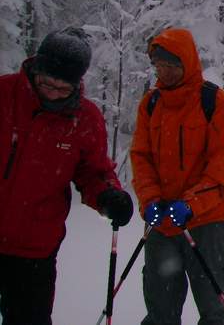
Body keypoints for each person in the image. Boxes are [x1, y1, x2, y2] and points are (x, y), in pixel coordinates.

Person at [0, 27, 133, 325]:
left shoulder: (84, 118)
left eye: (63, 89)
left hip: (35, 246)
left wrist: (109, 195)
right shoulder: (4, 95)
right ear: (37, 68)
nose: (52, 93)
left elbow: (94, 172)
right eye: (46, 83)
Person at [131, 28, 224, 325]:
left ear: (187, 63)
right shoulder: (151, 104)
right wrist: (150, 199)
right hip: (163, 222)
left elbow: (222, 165)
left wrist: (191, 204)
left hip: (209, 223)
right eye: (159, 66)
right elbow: (141, 158)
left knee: (214, 311)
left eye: (172, 66)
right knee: (160, 312)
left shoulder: (215, 103)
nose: (164, 73)